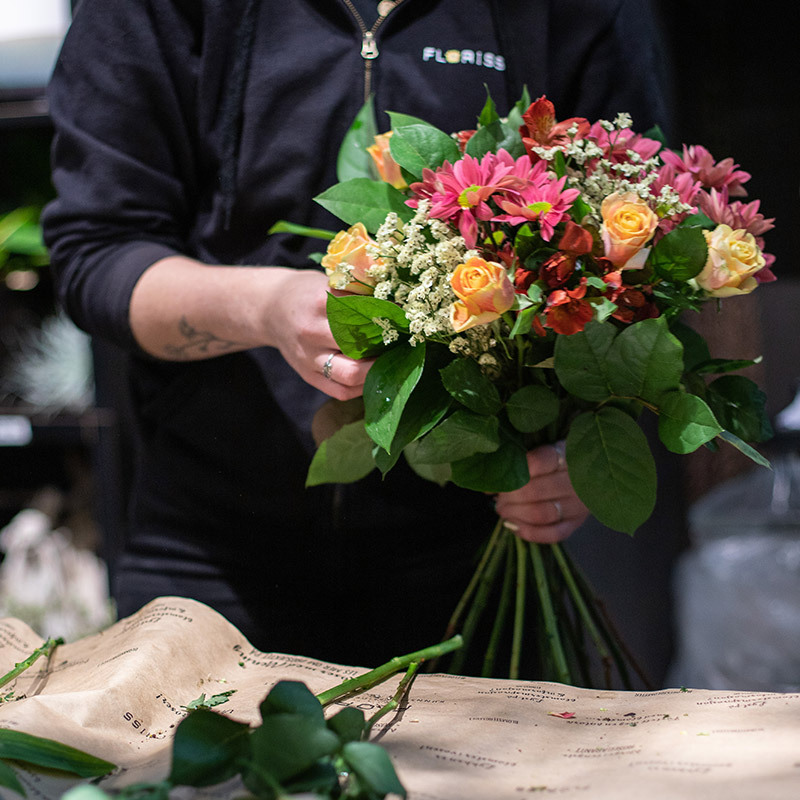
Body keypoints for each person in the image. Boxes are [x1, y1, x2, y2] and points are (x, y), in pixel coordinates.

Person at [43, 0, 669, 666]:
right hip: (209, 540)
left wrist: (569, 445)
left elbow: (634, 241)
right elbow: (98, 251)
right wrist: (269, 307)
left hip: (476, 543)